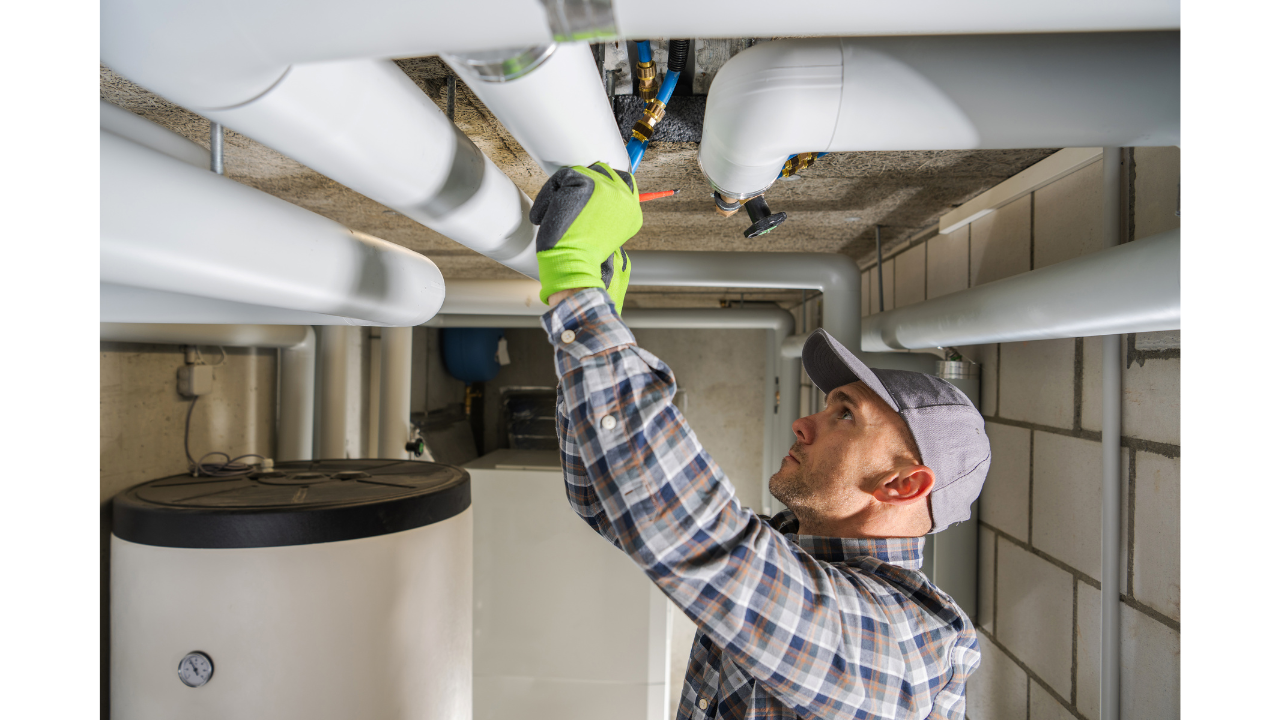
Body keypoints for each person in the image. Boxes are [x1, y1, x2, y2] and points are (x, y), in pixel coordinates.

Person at [529, 162, 992, 719]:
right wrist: (593, 322)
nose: (804, 424)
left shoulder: (909, 644)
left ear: (904, 483)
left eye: (845, 416)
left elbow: (703, 543)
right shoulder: (793, 553)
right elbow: (609, 501)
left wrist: (579, 290)